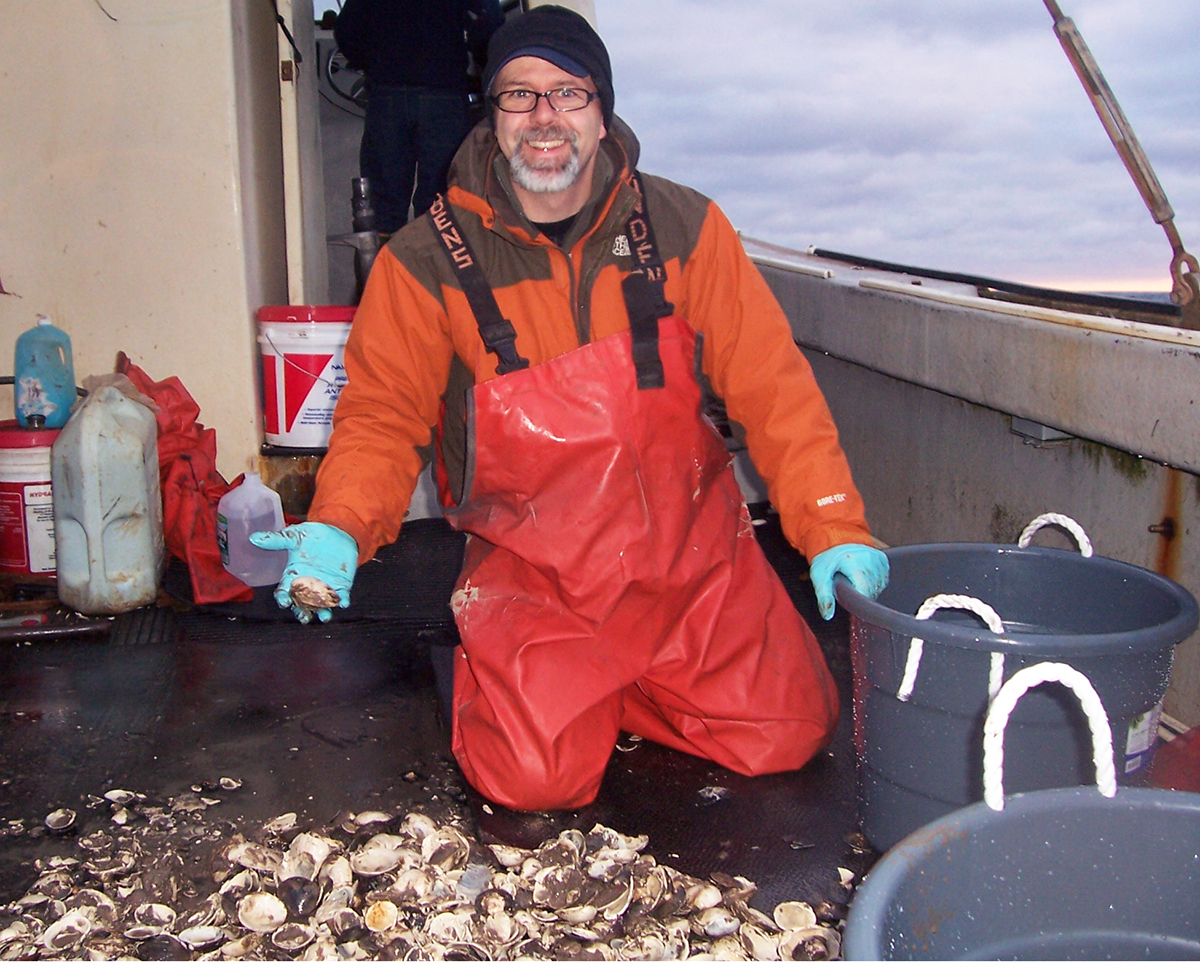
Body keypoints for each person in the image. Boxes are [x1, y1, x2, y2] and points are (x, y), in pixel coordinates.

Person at [253, 4, 889, 812]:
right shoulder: (421, 261)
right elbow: (383, 415)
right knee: (531, 782)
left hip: (690, 560)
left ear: (603, 109)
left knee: (789, 731)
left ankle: (606, 689)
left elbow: (775, 387)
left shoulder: (685, 224)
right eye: (519, 96)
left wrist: (834, 524)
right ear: (493, 114)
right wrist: (341, 523)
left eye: (569, 92)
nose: (544, 117)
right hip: (539, 573)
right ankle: (530, 680)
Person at [334, 0, 504, 233]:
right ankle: (432, 265)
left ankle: (383, 266)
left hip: (387, 95)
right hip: (444, 95)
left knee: (380, 211)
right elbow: (489, 27)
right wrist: (482, 69)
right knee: (442, 205)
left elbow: (347, 32)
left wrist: (375, 64)